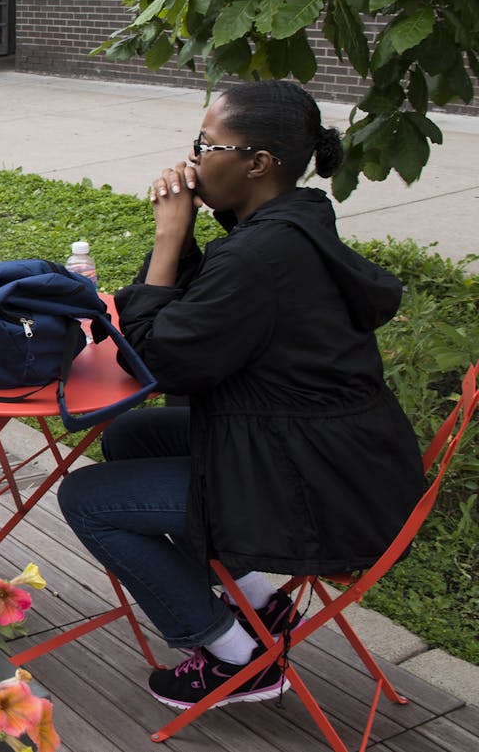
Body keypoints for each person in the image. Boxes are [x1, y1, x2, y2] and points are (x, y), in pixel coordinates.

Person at [57, 80, 426, 711]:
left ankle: (236, 658)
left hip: (317, 486)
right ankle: (259, 600)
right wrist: (194, 229)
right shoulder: (290, 226)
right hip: (340, 453)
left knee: (85, 499)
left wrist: (171, 236)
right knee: (128, 436)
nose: (193, 159)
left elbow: (160, 362)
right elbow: (199, 319)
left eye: (207, 144)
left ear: (257, 164)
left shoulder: (260, 256)